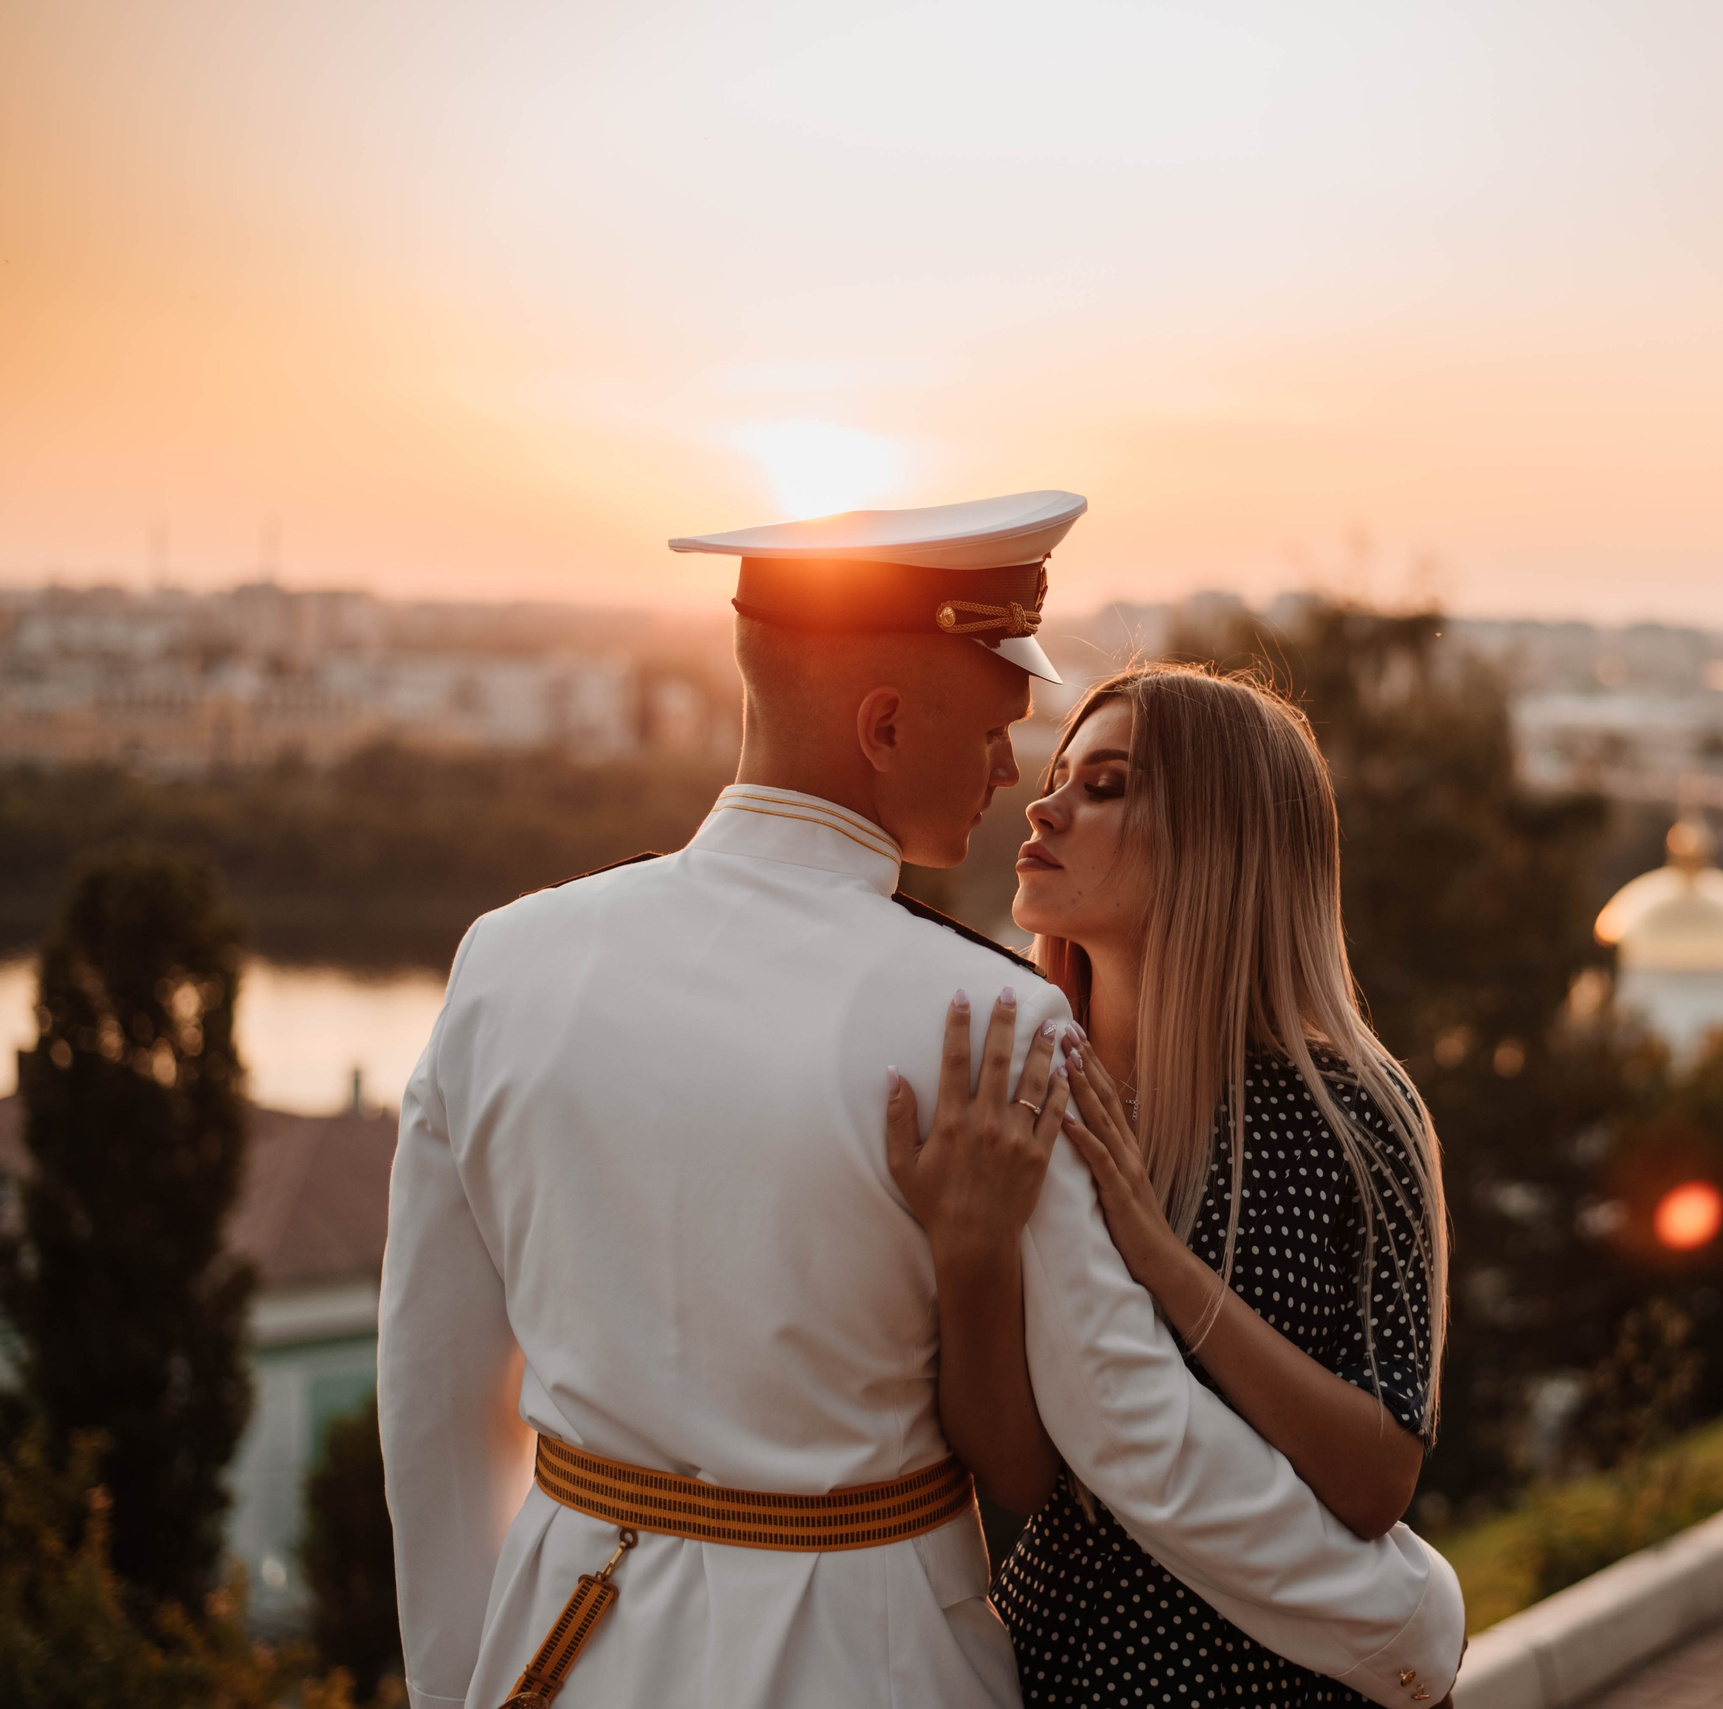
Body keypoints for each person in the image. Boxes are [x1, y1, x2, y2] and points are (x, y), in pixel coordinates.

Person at [377, 492, 1464, 1709]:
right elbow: (1126, 1431)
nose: (1014, 778)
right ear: (885, 724)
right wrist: (1403, 1621)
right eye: (1004, 731)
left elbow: (431, 1395)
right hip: (865, 1656)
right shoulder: (989, 1024)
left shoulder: (508, 955)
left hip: (567, 1645)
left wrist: (457, 1682)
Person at [897, 664, 1452, 1706]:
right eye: (1059, 772)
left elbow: (1376, 1480)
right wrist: (968, 1253)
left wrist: (1159, 1258)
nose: (1043, 802)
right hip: (1064, 1666)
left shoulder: (1349, 1115)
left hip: (1283, 1679)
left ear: (1219, 838)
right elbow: (1020, 1478)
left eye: (1104, 785)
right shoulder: (1017, 1090)